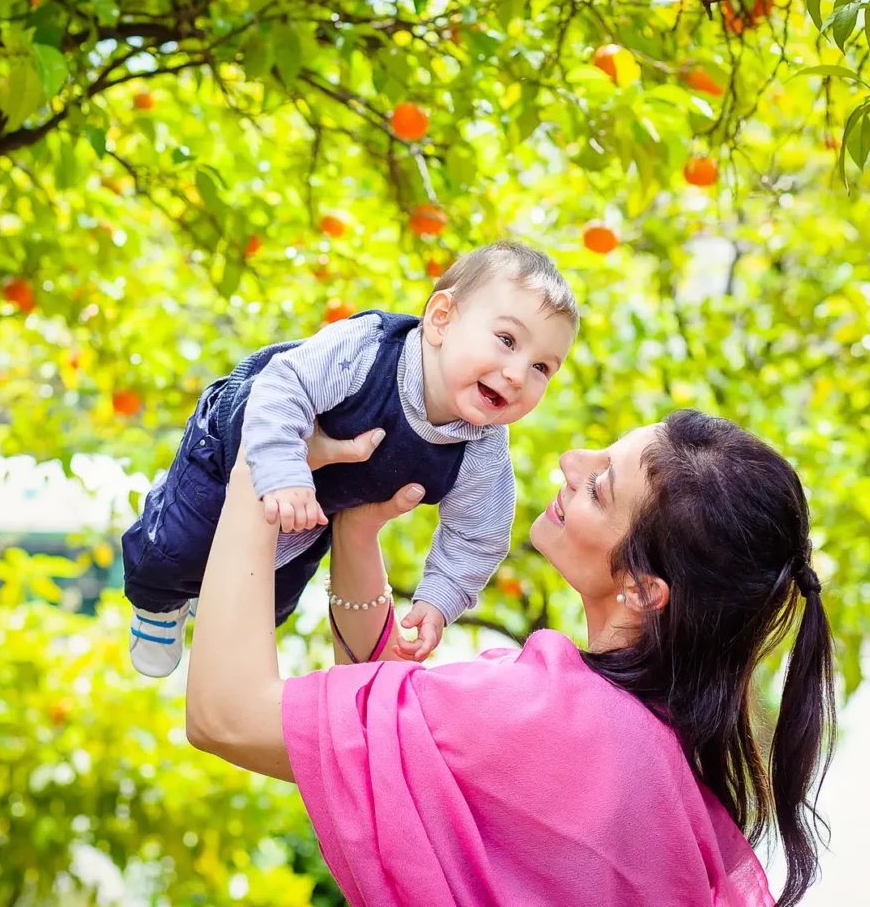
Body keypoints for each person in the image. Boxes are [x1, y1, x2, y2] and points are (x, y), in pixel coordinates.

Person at [185, 409, 836, 907]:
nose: (569, 462)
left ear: (642, 589)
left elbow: (226, 716)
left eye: (599, 488)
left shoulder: (545, 719)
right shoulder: (668, 755)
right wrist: (358, 532)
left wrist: (258, 467)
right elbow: (389, 752)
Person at [121, 242, 579, 677]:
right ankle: (157, 604)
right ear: (441, 319)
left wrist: (439, 599)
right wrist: (284, 468)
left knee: (270, 600)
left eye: (542, 368)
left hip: (316, 506)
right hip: (235, 445)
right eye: (506, 339)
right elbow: (284, 385)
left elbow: (479, 535)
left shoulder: (482, 448)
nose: (518, 375)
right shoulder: (369, 349)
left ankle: (210, 593)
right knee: (173, 551)